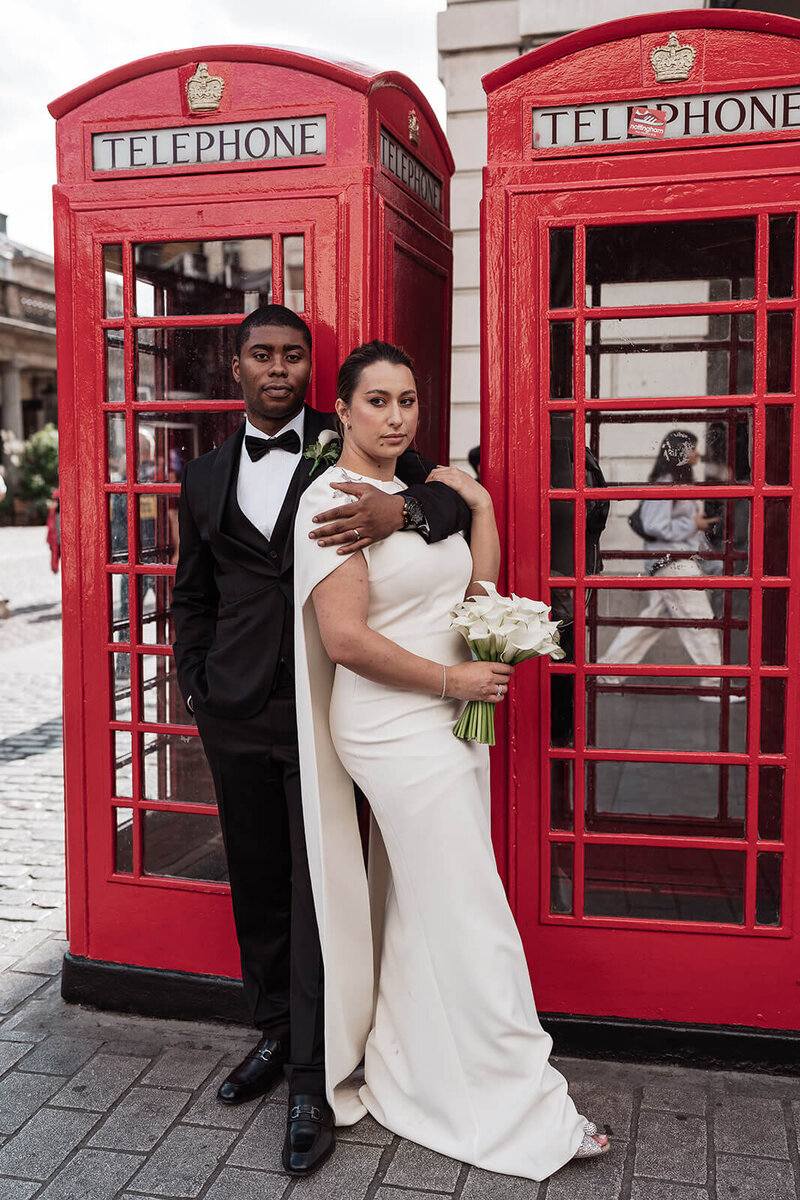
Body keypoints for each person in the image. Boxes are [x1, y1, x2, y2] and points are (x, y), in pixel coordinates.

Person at [293, 341, 609, 1180]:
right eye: (377, 402)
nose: (396, 417)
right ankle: (523, 1103)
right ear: (343, 411)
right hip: (392, 724)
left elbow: (470, 596)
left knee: (429, 906)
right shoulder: (333, 501)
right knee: (474, 910)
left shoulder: (418, 497)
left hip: (450, 715)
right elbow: (345, 639)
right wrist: (452, 676)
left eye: (408, 401)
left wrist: (482, 510)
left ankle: (410, 1070)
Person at [170, 307, 471, 1177]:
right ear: (237, 367)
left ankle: (314, 1077)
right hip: (234, 710)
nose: (279, 369)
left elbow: (450, 498)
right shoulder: (205, 476)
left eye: (294, 356)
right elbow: (191, 594)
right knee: (258, 880)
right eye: (263, 355)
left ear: (314, 373)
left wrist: (396, 512)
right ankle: (270, 1034)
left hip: (324, 706)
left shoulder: (350, 453)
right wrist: (197, 685)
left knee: (319, 887)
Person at [598, 430, 738, 701]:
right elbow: (655, 525)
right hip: (673, 563)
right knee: (700, 622)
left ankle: (609, 670)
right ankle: (713, 684)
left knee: (651, 622)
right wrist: (693, 524)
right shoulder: (666, 483)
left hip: (675, 561)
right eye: (692, 449)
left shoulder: (679, 482)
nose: (697, 454)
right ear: (679, 452)